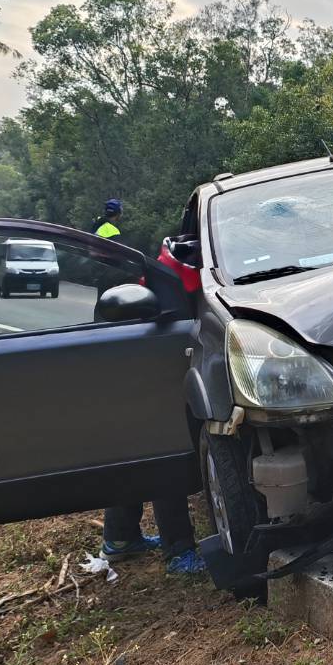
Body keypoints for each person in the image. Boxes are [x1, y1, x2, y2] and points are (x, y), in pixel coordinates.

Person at [91, 197, 205, 575]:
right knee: (162, 451)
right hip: (149, 369)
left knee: (137, 448)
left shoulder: (187, 260)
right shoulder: (175, 271)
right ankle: (179, 551)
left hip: (151, 366)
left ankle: (121, 539)